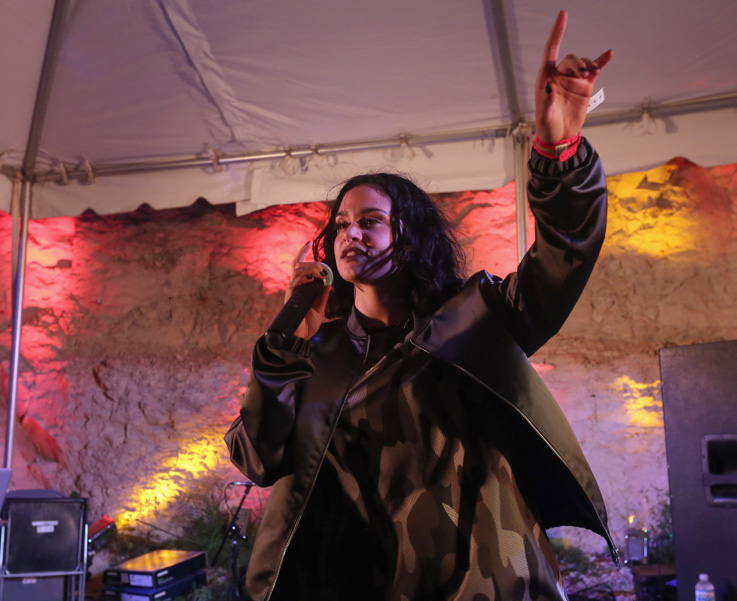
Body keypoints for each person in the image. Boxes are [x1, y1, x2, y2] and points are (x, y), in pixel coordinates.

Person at [226, 10, 615, 601]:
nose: (351, 235)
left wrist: (559, 153)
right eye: (342, 226)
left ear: (410, 237)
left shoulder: (473, 321)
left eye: (371, 222)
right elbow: (257, 457)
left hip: (485, 583)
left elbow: (565, 253)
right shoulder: (318, 355)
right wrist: (286, 346)